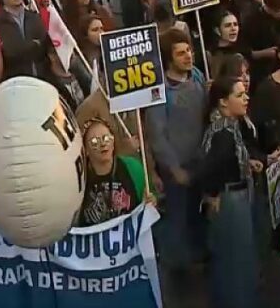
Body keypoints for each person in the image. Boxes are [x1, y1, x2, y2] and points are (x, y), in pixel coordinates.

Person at [145, 29, 207, 275]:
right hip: (177, 168)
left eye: (189, 51)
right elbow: (157, 135)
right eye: (181, 53)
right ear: (168, 59)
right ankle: (177, 272)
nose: (188, 56)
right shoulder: (159, 90)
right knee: (178, 220)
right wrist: (173, 168)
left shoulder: (199, 76)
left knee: (197, 216)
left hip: (200, 161)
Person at [201, 77, 260, 308]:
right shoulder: (221, 133)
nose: (246, 98)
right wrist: (212, 193)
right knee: (235, 264)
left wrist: (247, 163)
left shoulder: (230, 125)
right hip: (230, 200)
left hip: (233, 196)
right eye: (239, 95)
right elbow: (213, 166)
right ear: (223, 102)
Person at [78, 119, 145, 227]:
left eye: (106, 139)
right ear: (86, 150)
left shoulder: (133, 168)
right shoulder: (79, 179)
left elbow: (144, 203)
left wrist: (149, 202)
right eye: (95, 142)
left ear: (113, 143)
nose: (103, 145)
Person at [0, 0, 48, 79]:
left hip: (40, 75)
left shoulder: (34, 17)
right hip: (15, 79)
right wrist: (33, 44)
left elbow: (44, 44)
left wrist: (22, 46)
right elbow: (8, 52)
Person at [207, 9, 251, 79]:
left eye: (235, 24)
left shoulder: (242, 49)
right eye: (228, 25)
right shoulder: (211, 54)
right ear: (217, 30)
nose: (233, 28)